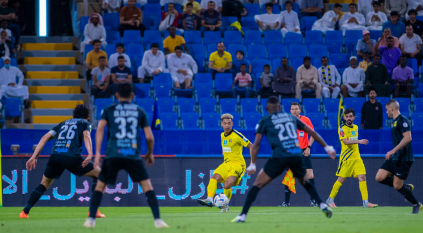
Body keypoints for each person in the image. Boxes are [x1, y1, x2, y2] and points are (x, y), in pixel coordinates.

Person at [231, 96, 336, 223]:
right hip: (297, 156)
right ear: (280, 107)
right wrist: (327, 147)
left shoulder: (265, 120)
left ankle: (243, 215)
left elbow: (256, 143)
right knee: (305, 182)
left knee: (257, 184)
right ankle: (322, 205)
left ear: (267, 108)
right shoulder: (291, 117)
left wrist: (253, 163)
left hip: (279, 157)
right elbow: (312, 132)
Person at [83, 83, 169, 228]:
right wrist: (149, 153)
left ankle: (91, 220)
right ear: (132, 96)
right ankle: (158, 220)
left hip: (113, 154)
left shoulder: (109, 109)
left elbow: (100, 130)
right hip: (132, 155)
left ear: (116, 95)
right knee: (147, 186)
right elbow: (149, 136)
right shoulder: (139, 111)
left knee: (100, 187)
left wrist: (97, 153)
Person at [19, 104, 105, 219]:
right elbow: (86, 135)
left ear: (73, 115)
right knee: (99, 174)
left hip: (55, 156)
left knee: (44, 184)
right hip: (71, 157)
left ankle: (24, 212)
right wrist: (90, 153)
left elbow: (44, 138)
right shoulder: (85, 123)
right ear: (87, 116)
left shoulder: (62, 124)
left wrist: (34, 156)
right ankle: (94, 211)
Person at [197, 113, 253, 213]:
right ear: (221, 124)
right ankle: (209, 199)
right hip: (226, 163)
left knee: (227, 185)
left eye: (229, 123)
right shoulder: (222, 135)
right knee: (214, 178)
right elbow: (225, 148)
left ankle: (225, 205)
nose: (227, 125)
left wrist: (252, 164)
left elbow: (252, 146)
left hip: (238, 164)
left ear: (232, 124)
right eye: (225, 123)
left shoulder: (237, 135)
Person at [375, 100, 422, 214]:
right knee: (379, 177)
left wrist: (393, 150)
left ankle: (416, 204)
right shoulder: (394, 122)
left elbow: (408, 138)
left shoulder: (403, 120)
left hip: (404, 158)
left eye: (387, 110)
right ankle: (405, 187)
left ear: (392, 109)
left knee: (396, 186)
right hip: (395, 157)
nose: (386, 112)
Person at [326, 108, 378, 208]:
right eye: (347, 116)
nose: (348, 118)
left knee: (362, 177)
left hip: (357, 158)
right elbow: (345, 141)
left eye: (350, 116)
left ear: (354, 117)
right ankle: (330, 200)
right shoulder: (342, 129)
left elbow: (353, 141)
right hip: (346, 159)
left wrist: (359, 142)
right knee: (341, 179)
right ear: (344, 118)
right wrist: (359, 141)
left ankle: (365, 202)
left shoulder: (356, 127)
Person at [279, 102, 317, 207]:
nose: (294, 110)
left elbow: (313, 134)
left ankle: (313, 200)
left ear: (300, 110)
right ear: (290, 111)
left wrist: (308, 147)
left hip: (304, 151)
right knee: (290, 176)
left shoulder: (305, 120)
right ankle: (286, 203)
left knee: (310, 175)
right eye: (292, 109)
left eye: (296, 108)